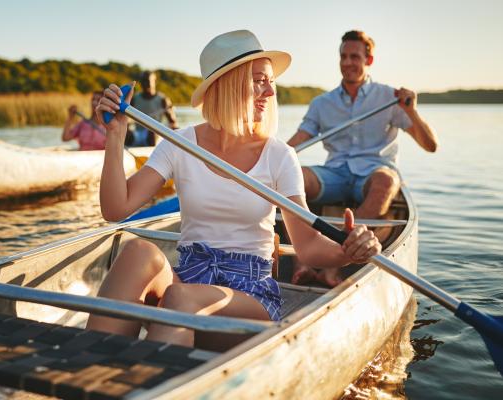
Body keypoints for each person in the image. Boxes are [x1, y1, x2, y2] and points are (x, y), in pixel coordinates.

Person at [86, 30, 381, 349]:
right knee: (137, 253)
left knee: (181, 298)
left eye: (271, 82)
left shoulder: (279, 156)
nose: (270, 92)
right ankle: (91, 373)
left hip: (249, 298)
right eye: (259, 80)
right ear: (228, 84)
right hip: (188, 278)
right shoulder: (180, 143)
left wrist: (347, 250)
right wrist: (114, 135)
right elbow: (116, 209)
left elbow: (307, 247)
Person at [286, 30, 438, 287]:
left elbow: (430, 145)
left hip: (375, 173)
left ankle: (332, 262)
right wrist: (267, 160)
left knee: (386, 183)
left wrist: (411, 111)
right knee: (293, 175)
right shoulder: (322, 103)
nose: (347, 63)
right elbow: (299, 140)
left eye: (354, 57)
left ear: (369, 61)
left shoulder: (390, 98)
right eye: (343, 56)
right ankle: (303, 258)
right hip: (335, 173)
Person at [127, 70, 179, 146]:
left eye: (147, 81)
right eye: (143, 81)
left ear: (154, 82)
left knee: (152, 132)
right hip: (138, 133)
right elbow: (126, 120)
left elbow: (173, 123)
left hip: (156, 134)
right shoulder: (134, 99)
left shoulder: (163, 100)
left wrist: (169, 112)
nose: (145, 83)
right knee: (126, 134)